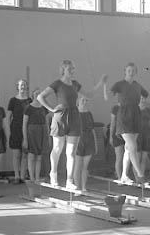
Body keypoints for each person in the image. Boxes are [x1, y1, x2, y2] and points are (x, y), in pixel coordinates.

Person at [37, 59, 106, 188]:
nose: (72, 71)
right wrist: (51, 109)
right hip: (61, 116)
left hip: (74, 117)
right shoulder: (57, 84)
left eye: (73, 68)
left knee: (71, 151)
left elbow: (89, 94)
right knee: (57, 148)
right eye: (70, 69)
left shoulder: (75, 84)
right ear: (63, 70)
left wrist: (100, 83)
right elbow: (40, 97)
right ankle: (53, 174)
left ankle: (69, 180)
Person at [109, 62, 150, 184]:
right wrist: (103, 85)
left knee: (128, 148)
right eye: (129, 70)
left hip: (135, 115)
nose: (131, 72)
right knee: (133, 146)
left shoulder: (137, 85)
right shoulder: (119, 84)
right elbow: (108, 95)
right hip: (124, 116)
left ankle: (124, 175)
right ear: (125, 71)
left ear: (136, 72)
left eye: (133, 70)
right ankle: (140, 174)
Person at [8, 79, 32, 184]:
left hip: (27, 129)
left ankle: (23, 176)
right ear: (17, 87)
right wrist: (9, 131)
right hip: (16, 128)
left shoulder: (29, 100)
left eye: (24, 85)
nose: (23, 87)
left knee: (25, 154)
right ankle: (17, 176)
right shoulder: (13, 100)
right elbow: (8, 117)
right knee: (16, 154)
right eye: (21, 85)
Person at [23, 88, 49, 183]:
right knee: (31, 157)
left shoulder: (44, 107)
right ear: (33, 95)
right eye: (36, 93)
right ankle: (32, 178)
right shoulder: (28, 108)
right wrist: (25, 139)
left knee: (39, 157)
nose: (38, 95)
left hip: (41, 133)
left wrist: (47, 135)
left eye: (39, 93)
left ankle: (37, 178)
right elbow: (24, 124)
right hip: (31, 133)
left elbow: (46, 122)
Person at [72, 95, 97, 191]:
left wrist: (95, 143)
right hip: (78, 139)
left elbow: (92, 129)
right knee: (77, 165)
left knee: (85, 166)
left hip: (89, 139)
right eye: (83, 100)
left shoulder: (89, 113)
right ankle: (77, 187)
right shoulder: (74, 113)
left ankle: (83, 187)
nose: (85, 102)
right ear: (78, 101)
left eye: (86, 100)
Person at [136, 96, 150, 175]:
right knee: (137, 159)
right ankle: (137, 178)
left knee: (143, 159)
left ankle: (142, 176)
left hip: (146, 136)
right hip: (137, 136)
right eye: (141, 98)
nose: (142, 100)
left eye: (144, 98)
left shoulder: (149, 111)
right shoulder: (134, 110)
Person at [109, 104, 125, 180]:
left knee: (127, 157)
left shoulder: (128, 107)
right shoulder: (115, 108)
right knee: (119, 157)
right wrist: (111, 136)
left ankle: (124, 176)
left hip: (127, 133)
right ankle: (119, 177)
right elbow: (112, 123)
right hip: (117, 134)